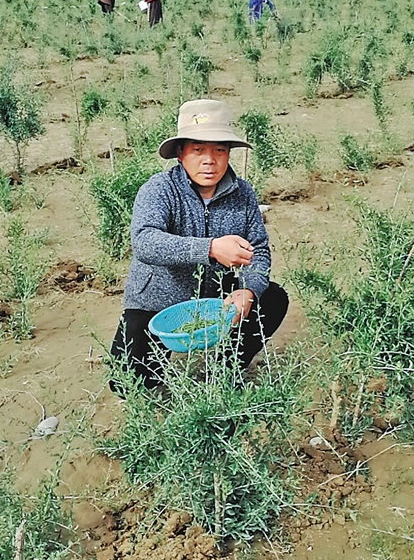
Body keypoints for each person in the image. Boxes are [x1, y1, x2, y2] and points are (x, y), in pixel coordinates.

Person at [110, 99, 289, 390]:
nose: (210, 160)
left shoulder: (242, 193)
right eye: (198, 150)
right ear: (180, 154)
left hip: (215, 298)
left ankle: (223, 371)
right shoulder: (159, 189)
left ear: (228, 154)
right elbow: (144, 241)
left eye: (219, 150)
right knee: (128, 383)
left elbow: (258, 249)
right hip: (156, 302)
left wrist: (247, 290)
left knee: (272, 298)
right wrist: (210, 248)